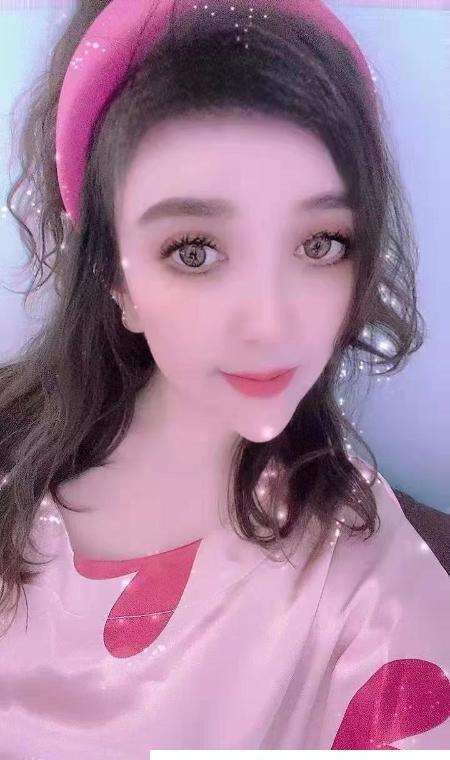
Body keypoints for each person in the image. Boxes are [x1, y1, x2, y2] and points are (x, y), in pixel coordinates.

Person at [0, 0, 448, 755]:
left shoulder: (365, 578)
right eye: (196, 251)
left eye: (321, 243)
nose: (270, 322)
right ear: (115, 277)